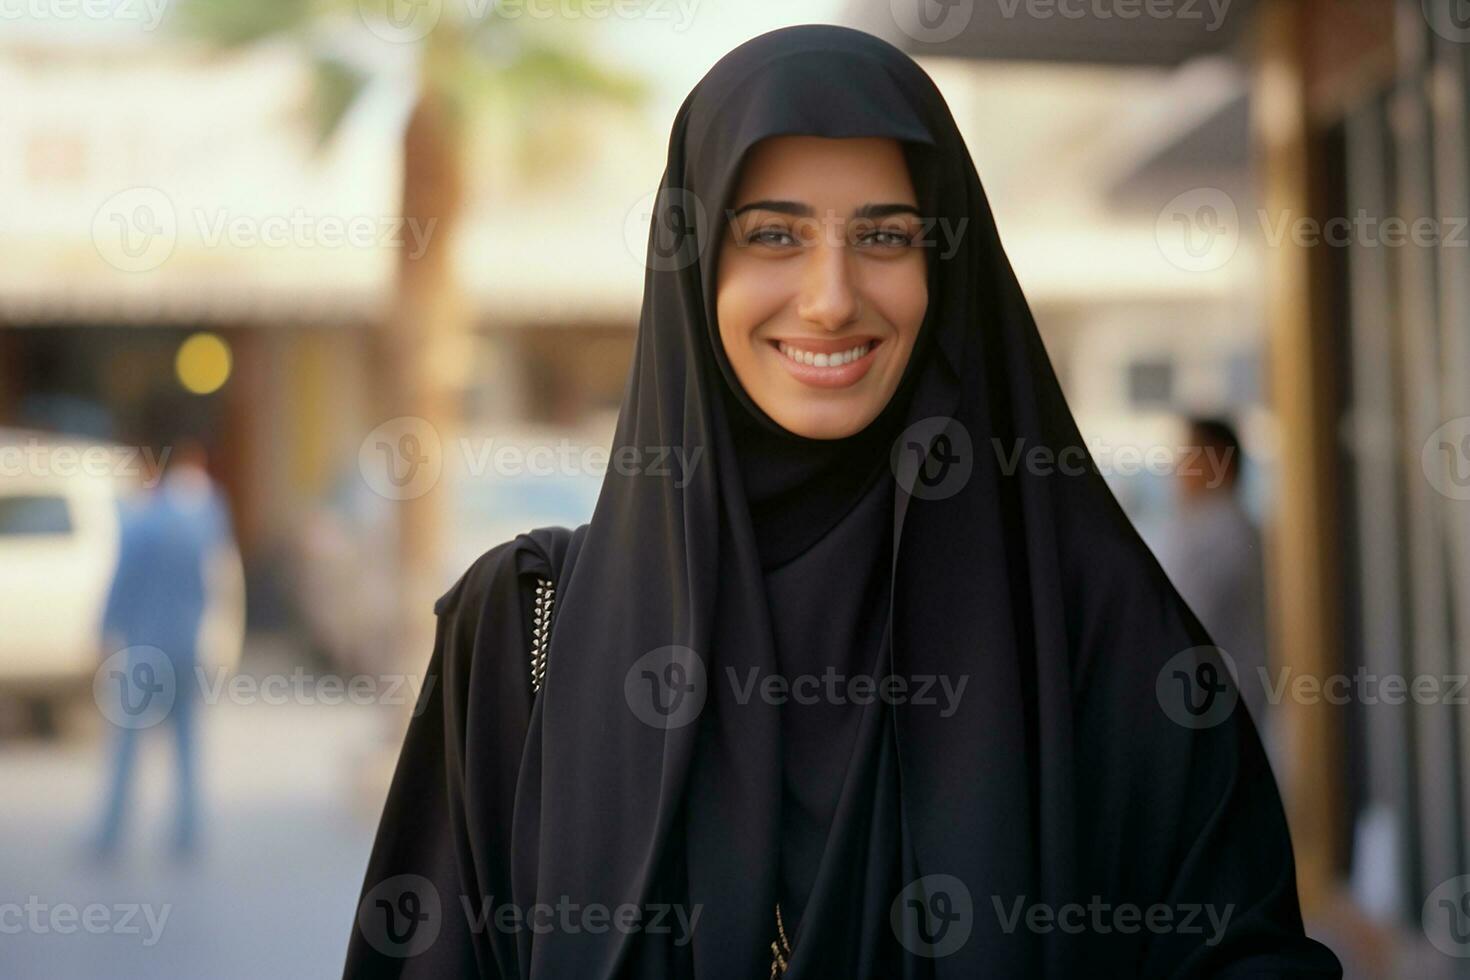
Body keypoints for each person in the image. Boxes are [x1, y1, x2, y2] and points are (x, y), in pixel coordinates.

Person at [344, 25, 1342, 978]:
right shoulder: (525, 636)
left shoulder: (1090, 627)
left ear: (945, 269)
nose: (829, 296)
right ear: (694, 264)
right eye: (772, 234)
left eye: (886, 236)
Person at [93, 423, 233, 860]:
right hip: (186, 644)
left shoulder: (143, 519)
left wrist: (104, 631)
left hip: (144, 647)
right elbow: (218, 577)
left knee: (128, 744)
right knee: (187, 743)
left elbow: (123, 580)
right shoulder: (207, 514)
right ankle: (187, 833)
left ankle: (111, 833)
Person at [1154, 417, 1273, 749]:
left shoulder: (1221, 534)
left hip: (1210, 708)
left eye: (1189, 454)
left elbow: (1178, 620)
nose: (1178, 468)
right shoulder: (1223, 528)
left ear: (1218, 461)